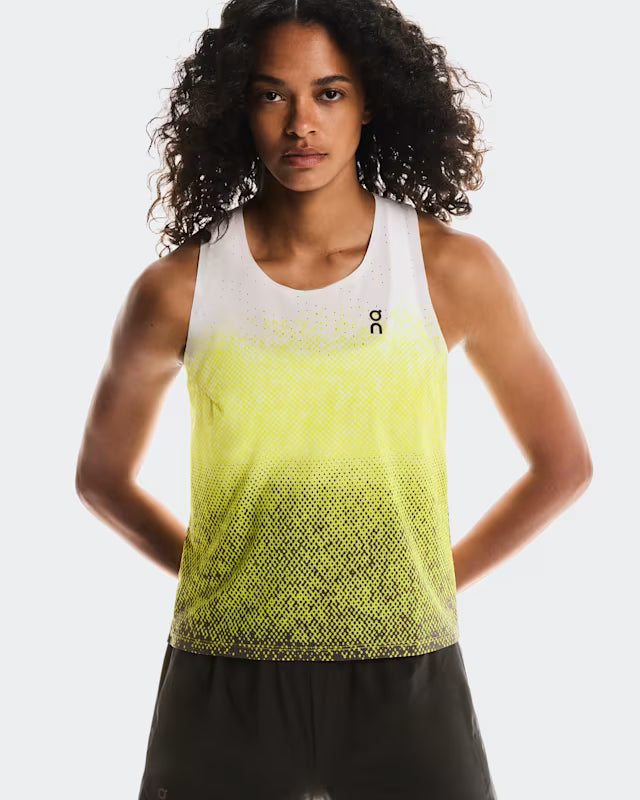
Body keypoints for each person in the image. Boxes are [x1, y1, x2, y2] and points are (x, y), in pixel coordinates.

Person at [75, 1, 593, 798]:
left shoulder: (447, 270)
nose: (300, 124)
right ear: (237, 106)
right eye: (271, 94)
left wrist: (424, 581)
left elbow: (562, 465)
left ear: (371, 101)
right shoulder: (178, 288)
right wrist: (230, 573)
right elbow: (101, 479)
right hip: (224, 681)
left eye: (329, 92)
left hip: (408, 677)